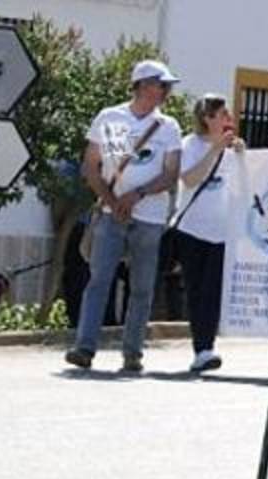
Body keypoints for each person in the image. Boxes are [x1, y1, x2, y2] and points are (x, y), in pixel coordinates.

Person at [64, 60, 183, 373]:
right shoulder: (109, 116)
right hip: (109, 213)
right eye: (162, 85)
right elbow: (90, 165)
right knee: (99, 280)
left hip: (150, 216)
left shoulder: (168, 126)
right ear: (143, 85)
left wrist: (138, 194)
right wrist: (111, 200)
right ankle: (85, 347)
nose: (166, 91)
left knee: (142, 286)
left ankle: (132, 352)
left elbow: (171, 173)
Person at [173, 94, 245, 372]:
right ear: (208, 118)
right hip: (192, 230)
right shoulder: (190, 145)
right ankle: (199, 347)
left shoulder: (233, 150)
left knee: (212, 292)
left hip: (222, 233)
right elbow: (189, 178)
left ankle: (206, 348)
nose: (229, 119)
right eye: (223, 114)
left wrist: (240, 155)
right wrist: (214, 150)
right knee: (195, 289)